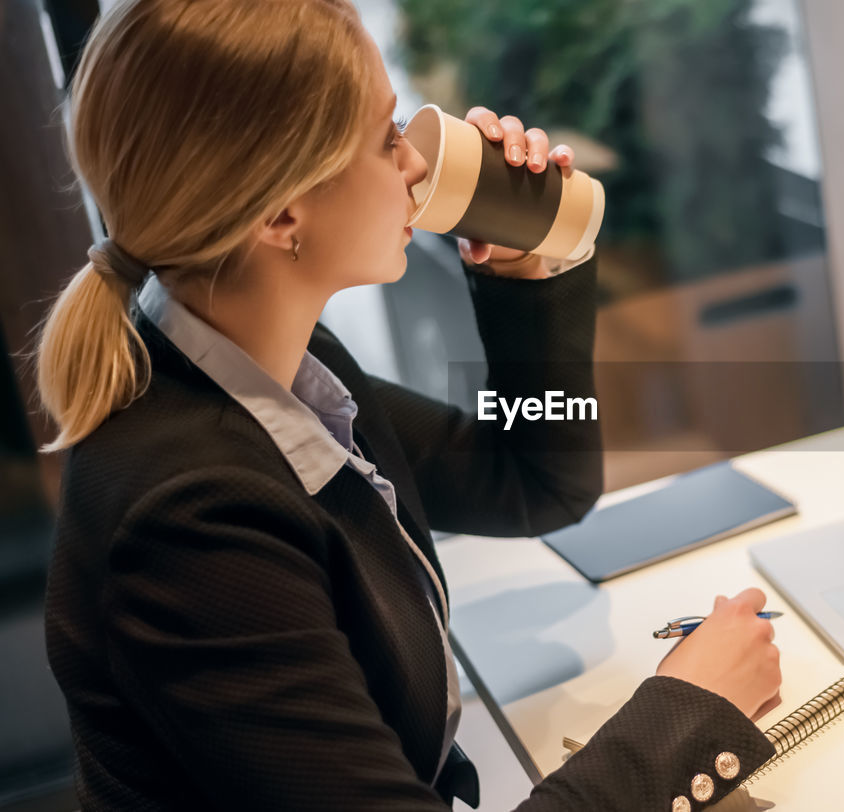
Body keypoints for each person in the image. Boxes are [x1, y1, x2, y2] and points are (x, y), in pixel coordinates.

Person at [34, 1, 783, 810]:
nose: (417, 165)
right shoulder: (191, 523)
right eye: (388, 136)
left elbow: (535, 483)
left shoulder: (271, 361)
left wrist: (528, 267)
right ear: (282, 213)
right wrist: (689, 713)